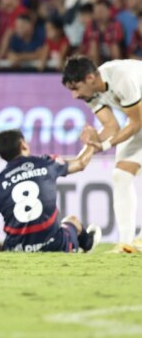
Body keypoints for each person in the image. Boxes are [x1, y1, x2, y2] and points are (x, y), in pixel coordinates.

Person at [62, 55, 142, 253]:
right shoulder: (91, 92)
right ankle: (126, 245)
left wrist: (104, 146)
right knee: (121, 176)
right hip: (138, 119)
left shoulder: (122, 78)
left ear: (90, 78)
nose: (74, 96)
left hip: (138, 120)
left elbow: (136, 122)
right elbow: (111, 126)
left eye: (75, 88)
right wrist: (89, 149)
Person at [0, 128, 100, 254]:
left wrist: (3, 252)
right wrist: (91, 144)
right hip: (54, 245)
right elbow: (80, 163)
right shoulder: (46, 163)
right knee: (73, 221)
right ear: (23, 145)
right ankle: (88, 244)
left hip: (17, 250)